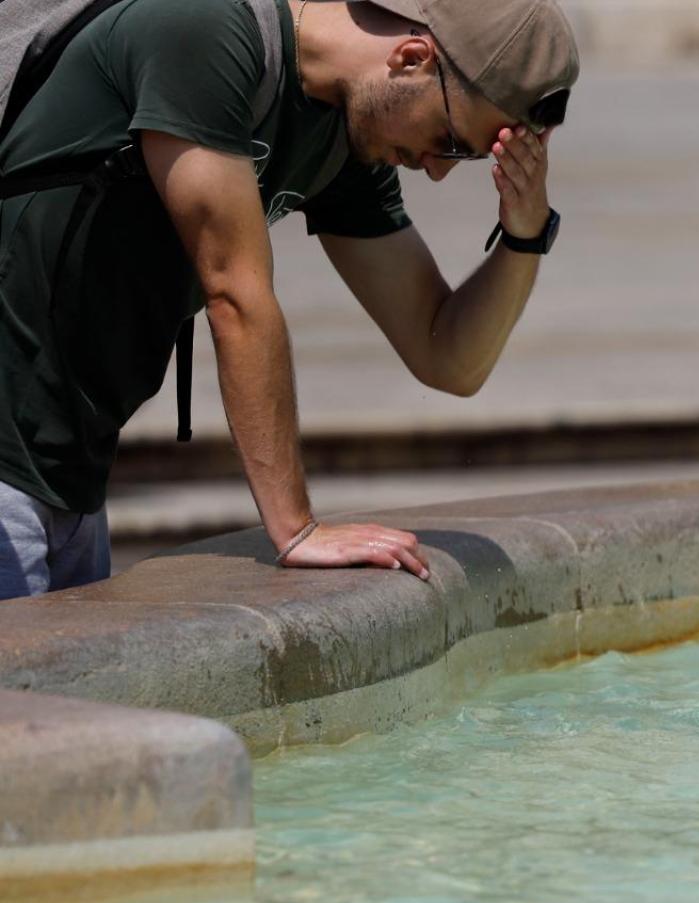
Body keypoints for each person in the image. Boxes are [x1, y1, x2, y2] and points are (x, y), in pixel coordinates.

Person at [0, 0, 577, 599]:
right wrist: (297, 530)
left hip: (68, 476)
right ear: (411, 58)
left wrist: (524, 233)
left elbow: (446, 356)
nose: (435, 172)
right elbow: (236, 295)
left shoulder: (343, 137)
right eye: (451, 142)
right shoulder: (204, 31)